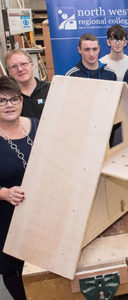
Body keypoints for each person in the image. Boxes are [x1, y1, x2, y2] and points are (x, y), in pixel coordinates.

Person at [0, 76, 39, 300]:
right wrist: (3, 193)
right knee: (16, 273)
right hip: (7, 220)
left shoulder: (36, 124)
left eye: (14, 99)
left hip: (41, 213)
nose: (10, 105)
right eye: (2, 101)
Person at [5, 49, 50, 120]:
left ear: (32, 66)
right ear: (9, 71)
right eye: (14, 66)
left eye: (23, 64)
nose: (20, 69)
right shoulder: (7, 98)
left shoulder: (51, 90)